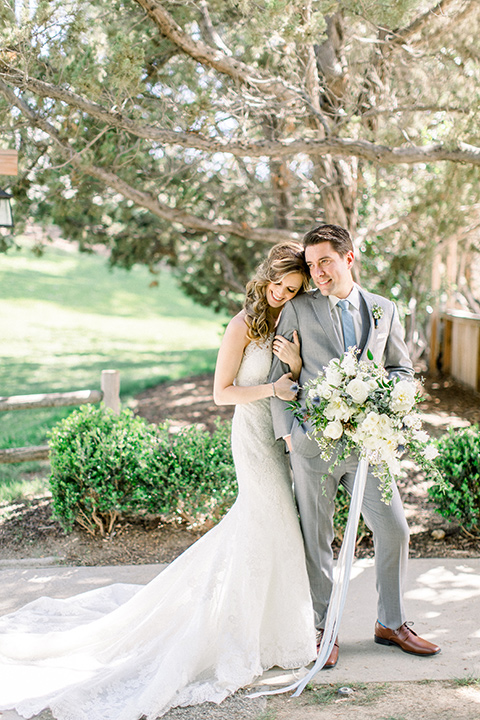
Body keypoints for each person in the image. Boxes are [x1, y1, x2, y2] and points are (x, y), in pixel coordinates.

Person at [0, 242, 316, 720]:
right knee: (270, 522)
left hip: (278, 438)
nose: (281, 294)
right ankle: (240, 636)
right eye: (277, 285)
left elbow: (293, 381)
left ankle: (273, 631)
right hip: (249, 438)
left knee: (269, 530)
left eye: (292, 289)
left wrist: (290, 367)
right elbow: (219, 393)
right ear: (264, 278)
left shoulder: (289, 322)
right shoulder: (241, 325)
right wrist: (273, 385)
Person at [270, 224, 441, 669]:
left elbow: (401, 368)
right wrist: (289, 434)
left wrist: (386, 399)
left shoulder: (384, 309)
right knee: (317, 539)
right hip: (313, 444)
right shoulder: (298, 308)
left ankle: (391, 622)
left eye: (324, 261)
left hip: (369, 447)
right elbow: (279, 376)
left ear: (348, 257)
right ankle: (323, 627)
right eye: (311, 265)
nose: (318, 273)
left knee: (394, 529)